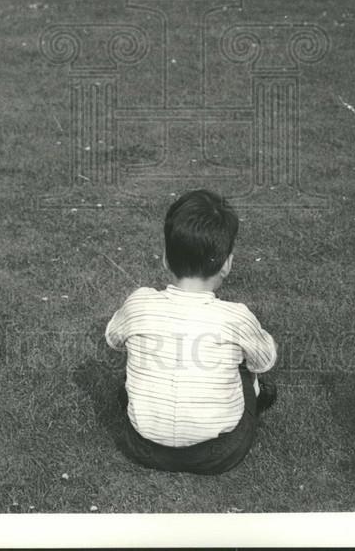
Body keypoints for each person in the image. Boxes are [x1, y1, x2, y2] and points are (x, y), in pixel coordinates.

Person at [105, 189, 277, 475]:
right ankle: (247, 403)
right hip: (218, 454)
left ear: (165, 259)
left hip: (141, 446)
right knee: (245, 368)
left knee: (134, 370)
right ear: (227, 264)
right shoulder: (236, 317)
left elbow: (113, 340)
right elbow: (264, 360)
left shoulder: (139, 302)